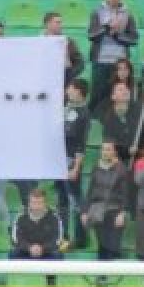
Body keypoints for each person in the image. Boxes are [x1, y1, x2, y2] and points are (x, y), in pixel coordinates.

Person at [87, 0, 139, 111]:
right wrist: (106, 27)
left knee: (118, 96)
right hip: (100, 61)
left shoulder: (128, 14)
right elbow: (91, 35)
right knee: (98, 95)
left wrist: (117, 35)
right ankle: (93, 123)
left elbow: (134, 39)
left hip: (120, 64)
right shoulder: (97, 12)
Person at [82, 141, 129, 260]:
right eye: (103, 149)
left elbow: (125, 194)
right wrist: (85, 211)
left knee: (113, 246)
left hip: (114, 211)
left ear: (114, 152)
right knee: (102, 246)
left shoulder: (121, 169)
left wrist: (122, 213)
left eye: (108, 149)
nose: (105, 152)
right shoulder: (96, 168)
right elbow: (90, 191)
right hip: (98, 211)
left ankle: (113, 274)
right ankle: (102, 276)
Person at [60, 78, 90, 247]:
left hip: (72, 160)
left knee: (74, 199)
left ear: (78, 91)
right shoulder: (67, 107)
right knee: (62, 199)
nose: (67, 91)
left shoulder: (84, 113)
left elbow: (81, 142)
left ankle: (79, 238)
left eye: (70, 88)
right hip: (59, 159)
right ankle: (63, 235)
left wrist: (77, 167)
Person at [10, 189, 63, 262]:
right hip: (26, 251)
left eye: (39, 203)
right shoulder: (21, 217)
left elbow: (57, 239)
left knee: (57, 255)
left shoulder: (54, 217)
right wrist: (29, 248)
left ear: (45, 203)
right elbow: (16, 239)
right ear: (29, 203)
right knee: (13, 254)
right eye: (34, 203)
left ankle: (49, 273)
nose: (36, 206)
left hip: (47, 252)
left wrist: (43, 248)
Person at [95, 78, 143, 152]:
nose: (125, 91)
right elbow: (110, 144)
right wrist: (127, 150)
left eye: (126, 89)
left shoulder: (139, 112)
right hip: (118, 157)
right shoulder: (108, 118)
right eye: (120, 89)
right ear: (113, 97)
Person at [43, 11, 85, 84]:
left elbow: (80, 63)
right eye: (57, 22)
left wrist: (69, 74)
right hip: (44, 81)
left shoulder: (68, 42)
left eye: (61, 23)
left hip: (64, 82)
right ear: (48, 24)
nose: (61, 25)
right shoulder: (38, 42)